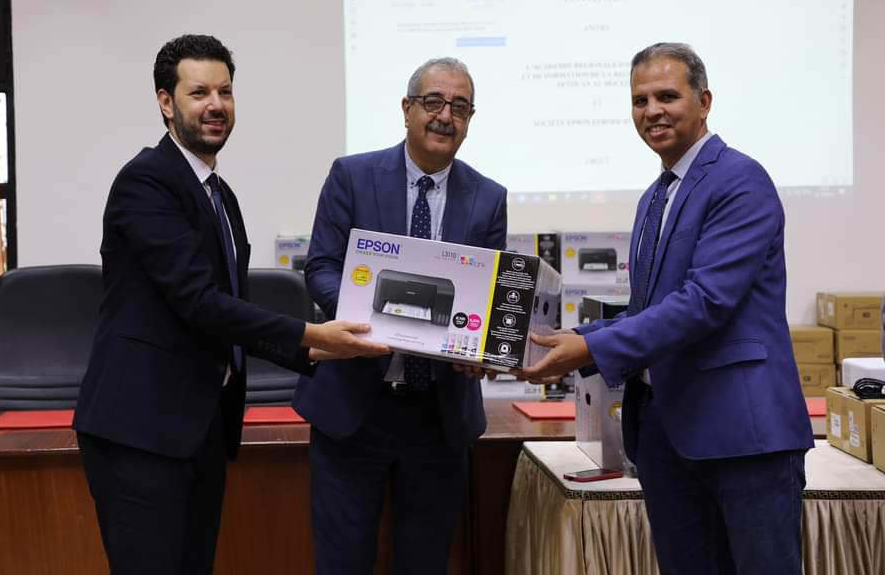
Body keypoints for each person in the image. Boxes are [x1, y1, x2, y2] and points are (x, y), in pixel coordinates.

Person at [73, 34, 388, 575]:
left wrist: (319, 351)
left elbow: (228, 310)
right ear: (166, 102)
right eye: (199, 93)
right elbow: (200, 303)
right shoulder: (147, 181)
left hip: (199, 428)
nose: (215, 105)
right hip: (140, 432)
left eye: (225, 91)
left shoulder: (219, 194)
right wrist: (312, 335)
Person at [519, 43, 813, 574]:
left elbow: (705, 302)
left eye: (667, 96)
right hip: (666, 435)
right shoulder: (655, 196)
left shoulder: (740, 179)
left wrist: (590, 348)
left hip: (742, 436)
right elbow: (650, 309)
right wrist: (574, 341)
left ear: (704, 101)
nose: (652, 110)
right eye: (640, 100)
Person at [293, 57, 507, 574]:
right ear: (407, 108)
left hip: (439, 415)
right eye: (433, 102)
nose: (445, 116)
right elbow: (321, 266)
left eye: (460, 107)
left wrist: (485, 347)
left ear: (470, 119)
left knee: (424, 563)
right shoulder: (352, 175)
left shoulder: (489, 198)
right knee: (342, 563)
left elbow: (489, 299)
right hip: (354, 409)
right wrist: (369, 317)